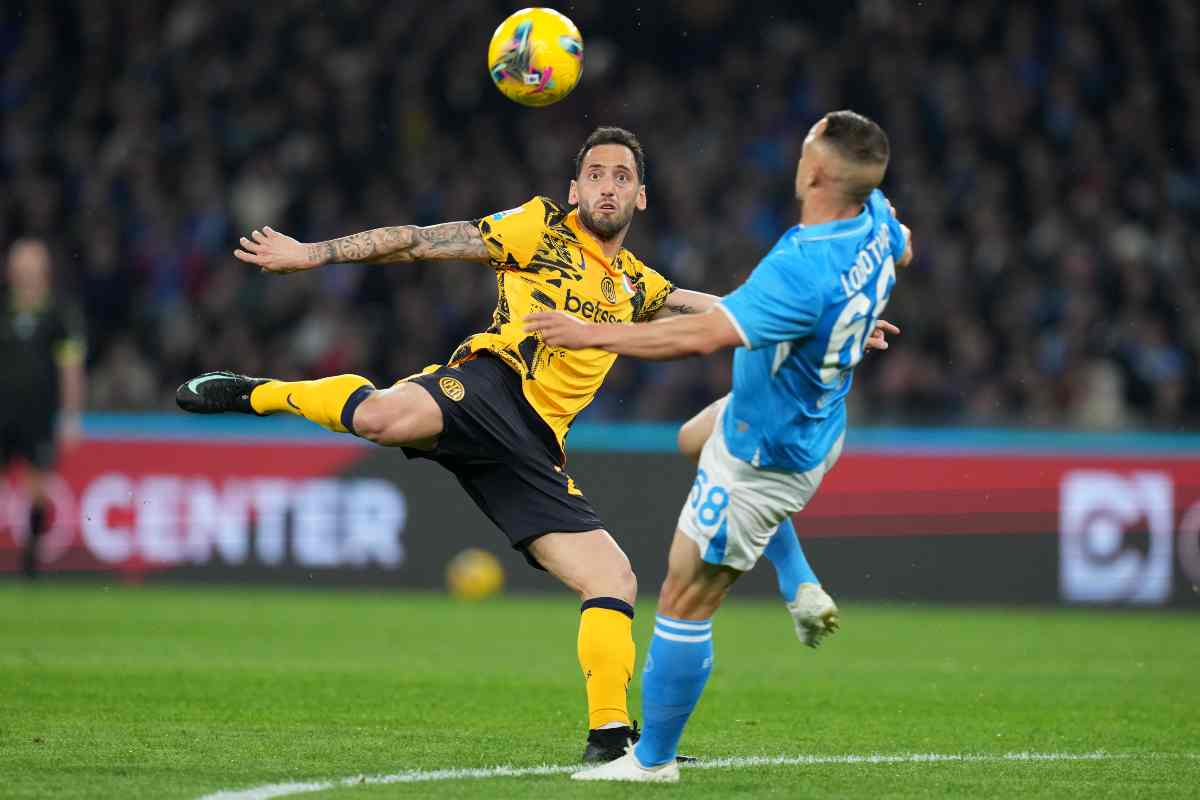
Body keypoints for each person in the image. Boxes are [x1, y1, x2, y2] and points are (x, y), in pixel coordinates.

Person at [176, 126, 884, 761]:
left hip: (538, 447)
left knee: (612, 580)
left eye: (622, 176)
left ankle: (611, 742)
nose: (608, 185)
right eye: (596, 174)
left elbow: (727, 311)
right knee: (382, 418)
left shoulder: (638, 283)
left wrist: (825, 321)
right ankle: (259, 391)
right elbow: (422, 238)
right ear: (575, 189)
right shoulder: (537, 227)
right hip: (488, 389)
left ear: (642, 197)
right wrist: (314, 254)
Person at [526, 110, 912, 782]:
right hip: (809, 418)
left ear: (816, 172)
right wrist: (850, 311)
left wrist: (591, 333)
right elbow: (901, 246)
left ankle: (651, 762)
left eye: (804, 148)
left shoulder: (800, 270)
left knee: (683, 596)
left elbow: (697, 337)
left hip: (765, 457)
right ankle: (800, 584)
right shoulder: (876, 219)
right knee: (689, 438)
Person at [1, 239, 86, 578]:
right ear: (11, 270)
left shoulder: (60, 314)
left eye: (32, 267)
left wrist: (71, 416)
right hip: (2, 411)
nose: (26, 273)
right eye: (21, 267)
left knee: (36, 487)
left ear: (44, 270)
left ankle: (30, 562)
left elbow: (71, 369)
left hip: (38, 414)